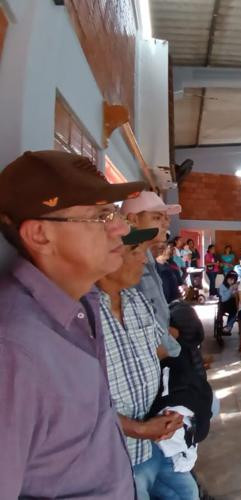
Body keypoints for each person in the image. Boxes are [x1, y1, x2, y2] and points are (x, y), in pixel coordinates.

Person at [0, 150, 143, 498]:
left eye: (114, 213)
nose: (122, 229)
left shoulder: (83, 304)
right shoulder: (13, 351)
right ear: (39, 236)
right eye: (100, 216)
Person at [97, 227, 200, 499]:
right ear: (107, 257)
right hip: (118, 453)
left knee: (187, 493)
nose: (144, 260)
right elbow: (77, 407)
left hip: (158, 438)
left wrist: (173, 404)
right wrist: (139, 429)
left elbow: (160, 355)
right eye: (137, 252)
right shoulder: (83, 314)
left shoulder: (136, 299)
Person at [121, 191, 183, 359]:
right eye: (157, 218)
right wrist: (161, 350)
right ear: (133, 220)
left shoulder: (148, 258)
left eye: (165, 218)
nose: (166, 224)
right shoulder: (122, 262)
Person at [215, 271, 239, 336]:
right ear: (226, 278)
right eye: (230, 279)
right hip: (224, 305)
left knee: (236, 311)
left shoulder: (236, 286)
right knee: (234, 309)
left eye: (234, 279)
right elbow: (223, 299)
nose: (232, 281)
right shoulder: (222, 286)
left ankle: (228, 327)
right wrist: (230, 290)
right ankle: (227, 327)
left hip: (234, 306)